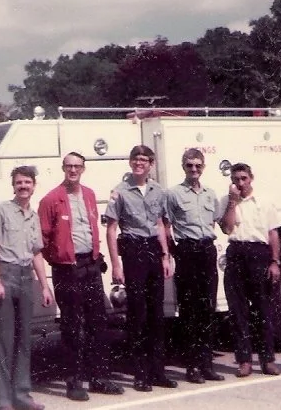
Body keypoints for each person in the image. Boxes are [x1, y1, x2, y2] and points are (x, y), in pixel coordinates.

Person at [38, 152, 124, 401]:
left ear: (83, 169)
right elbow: (42, 240)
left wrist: (97, 258)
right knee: (73, 327)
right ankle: (74, 382)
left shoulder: (88, 194)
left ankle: (99, 378)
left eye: (77, 166)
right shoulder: (51, 199)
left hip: (91, 265)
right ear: (63, 168)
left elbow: (91, 227)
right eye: (69, 166)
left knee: (98, 324)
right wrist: (59, 260)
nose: (73, 170)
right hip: (68, 269)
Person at [104, 145, 178, 392]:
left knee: (157, 314)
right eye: (136, 159)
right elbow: (112, 229)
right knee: (138, 314)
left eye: (144, 160)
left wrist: (166, 256)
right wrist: (116, 264)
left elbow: (160, 224)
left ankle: (158, 371)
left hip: (153, 251)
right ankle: (140, 373)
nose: (139, 163)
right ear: (130, 162)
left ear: (151, 164)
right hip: (133, 251)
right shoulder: (120, 192)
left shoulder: (159, 191)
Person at [0, 165, 54, 410]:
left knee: (24, 340)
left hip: (25, 278)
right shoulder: (1, 210)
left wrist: (45, 286)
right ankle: (3, 402)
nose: (23, 186)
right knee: (4, 342)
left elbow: (36, 253)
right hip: (6, 275)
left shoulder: (33, 216)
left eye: (27, 182)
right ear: (13, 185)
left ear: (34, 186)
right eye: (19, 182)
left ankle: (22, 396)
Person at [165, 148, 224, 384]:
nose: (194, 169)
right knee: (189, 311)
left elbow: (218, 222)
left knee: (208, 309)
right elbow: (166, 225)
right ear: (183, 167)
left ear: (203, 167)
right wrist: (173, 252)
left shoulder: (210, 194)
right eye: (190, 165)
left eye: (198, 165)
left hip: (207, 251)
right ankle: (192, 367)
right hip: (187, 251)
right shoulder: (173, 194)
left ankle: (207, 364)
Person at [219, 162, 281, 378]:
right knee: (238, 311)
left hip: (259, 254)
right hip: (236, 252)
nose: (240, 183)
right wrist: (232, 203)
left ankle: (268, 360)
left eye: (244, 178)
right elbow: (227, 228)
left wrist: (274, 261)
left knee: (263, 310)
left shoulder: (264, 202)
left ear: (251, 178)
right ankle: (244, 360)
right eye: (236, 179)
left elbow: (273, 233)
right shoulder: (227, 202)